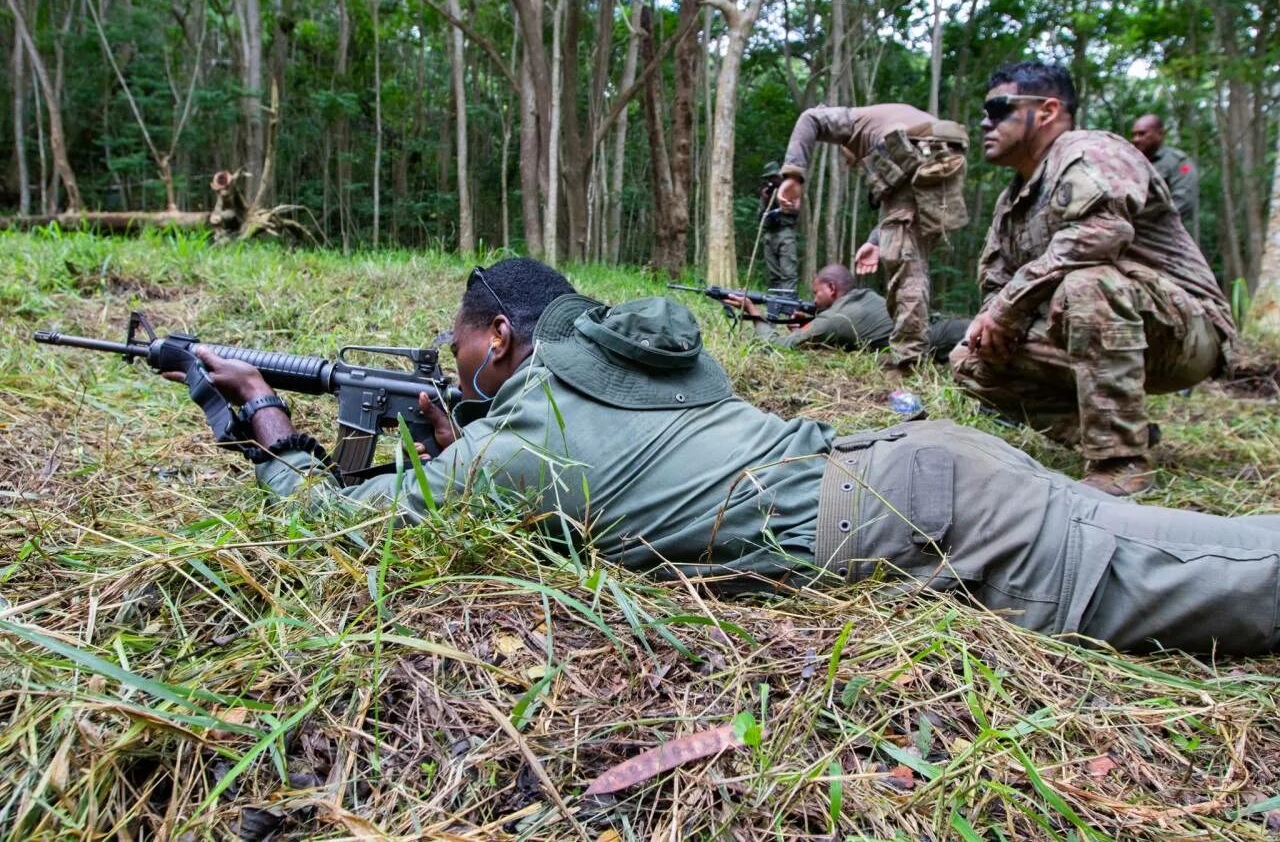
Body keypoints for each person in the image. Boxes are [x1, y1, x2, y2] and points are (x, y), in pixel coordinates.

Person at [177, 257, 1280, 656]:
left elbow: (323, 523)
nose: (449, 357)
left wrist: (267, 421)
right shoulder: (603, 378)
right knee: (1210, 549)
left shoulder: (529, 447)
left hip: (939, 521)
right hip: (917, 472)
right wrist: (458, 440)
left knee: (1239, 583)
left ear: (501, 337)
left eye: (458, 341)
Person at [951, 63, 1236, 497]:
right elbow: (996, 285)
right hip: (1094, 331)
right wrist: (994, 319)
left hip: (1185, 332)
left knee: (1087, 284)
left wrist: (1008, 308)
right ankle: (1114, 432)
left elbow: (1100, 234)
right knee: (971, 358)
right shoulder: (1012, 203)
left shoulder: (1091, 150)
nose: (986, 122)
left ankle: (1121, 465)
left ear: (1047, 110)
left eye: (998, 108)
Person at [776, 105, 970, 375]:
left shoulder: (852, 122)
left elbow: (809, 118)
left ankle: (907, 361)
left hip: (920, 146)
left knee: (905, 264)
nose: (851, 165)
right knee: (910, 254)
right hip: (948, 152)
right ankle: (916, 349)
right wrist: (876, 241)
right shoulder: (884, 120)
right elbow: (902, 212)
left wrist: (793, 176)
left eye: (850, 160)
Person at [724, 263, 967, 361]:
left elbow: (779, 346)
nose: (814, 300)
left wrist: (753, 313)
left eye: (816, 293)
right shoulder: (864, 297)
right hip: (944, 328)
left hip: (942, 340)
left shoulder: (838, 318)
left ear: (831, 288)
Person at [1130, 114, 1199, 239]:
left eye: (1142, 134)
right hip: (1133, 237)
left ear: (1160, 134)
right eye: (1134, 134)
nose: (1136, 139)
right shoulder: (1131, 162)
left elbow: (1183, 201)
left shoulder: (1178, 162)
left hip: (1168, 238)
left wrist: (1147, 224)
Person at [757, 161, 799, 292]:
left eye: (773, 177)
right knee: (774, 274)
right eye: (769, 178)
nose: (771, 181)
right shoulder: (767, 193)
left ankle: (788, 303)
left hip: (784, 233)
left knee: (788, 273)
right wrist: (765, 200)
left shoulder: (789, 191)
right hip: (769, 234)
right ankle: (775, 302)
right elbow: (760, 217)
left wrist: (780, 199)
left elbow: (795, 210)